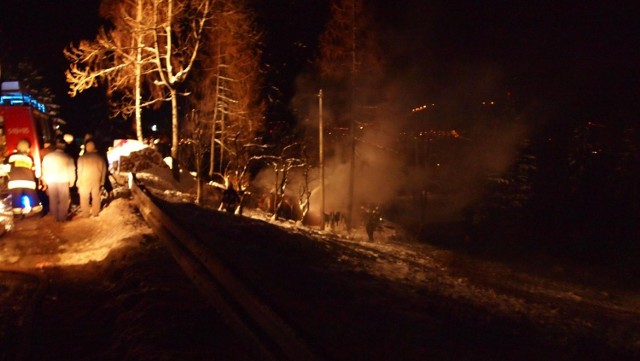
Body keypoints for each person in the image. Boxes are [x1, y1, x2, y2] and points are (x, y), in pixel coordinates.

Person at [6, 138, 42, 215]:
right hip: (28, 181)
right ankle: (38, 214)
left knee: (16, 199)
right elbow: (32, 169)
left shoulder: (11, 157)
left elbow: (6, 168)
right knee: (33, 198)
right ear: (27, 148)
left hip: (15, 181)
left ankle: (18, 215)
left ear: (18, 147)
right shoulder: (29, 158)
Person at [42, 142, 76, 222]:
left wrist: (46, 180)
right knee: (64, 200)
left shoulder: (47, 157)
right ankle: (62, 217)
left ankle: (54, 217)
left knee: (53, 199)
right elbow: (71, 170)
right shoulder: (68, 157)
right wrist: (72, 181)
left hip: (51, 181)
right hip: (63, 180)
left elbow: (44, 169)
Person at [76, 139, 106, 218]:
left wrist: (78, 181)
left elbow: (79, 171)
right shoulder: (100, 158)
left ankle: (86, 213)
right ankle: (95, 212)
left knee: (84, 197)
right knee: (96, 197)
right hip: (96, 179)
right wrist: (102, 181)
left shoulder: (81, 158)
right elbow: (104, 171)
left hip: (84, 179)